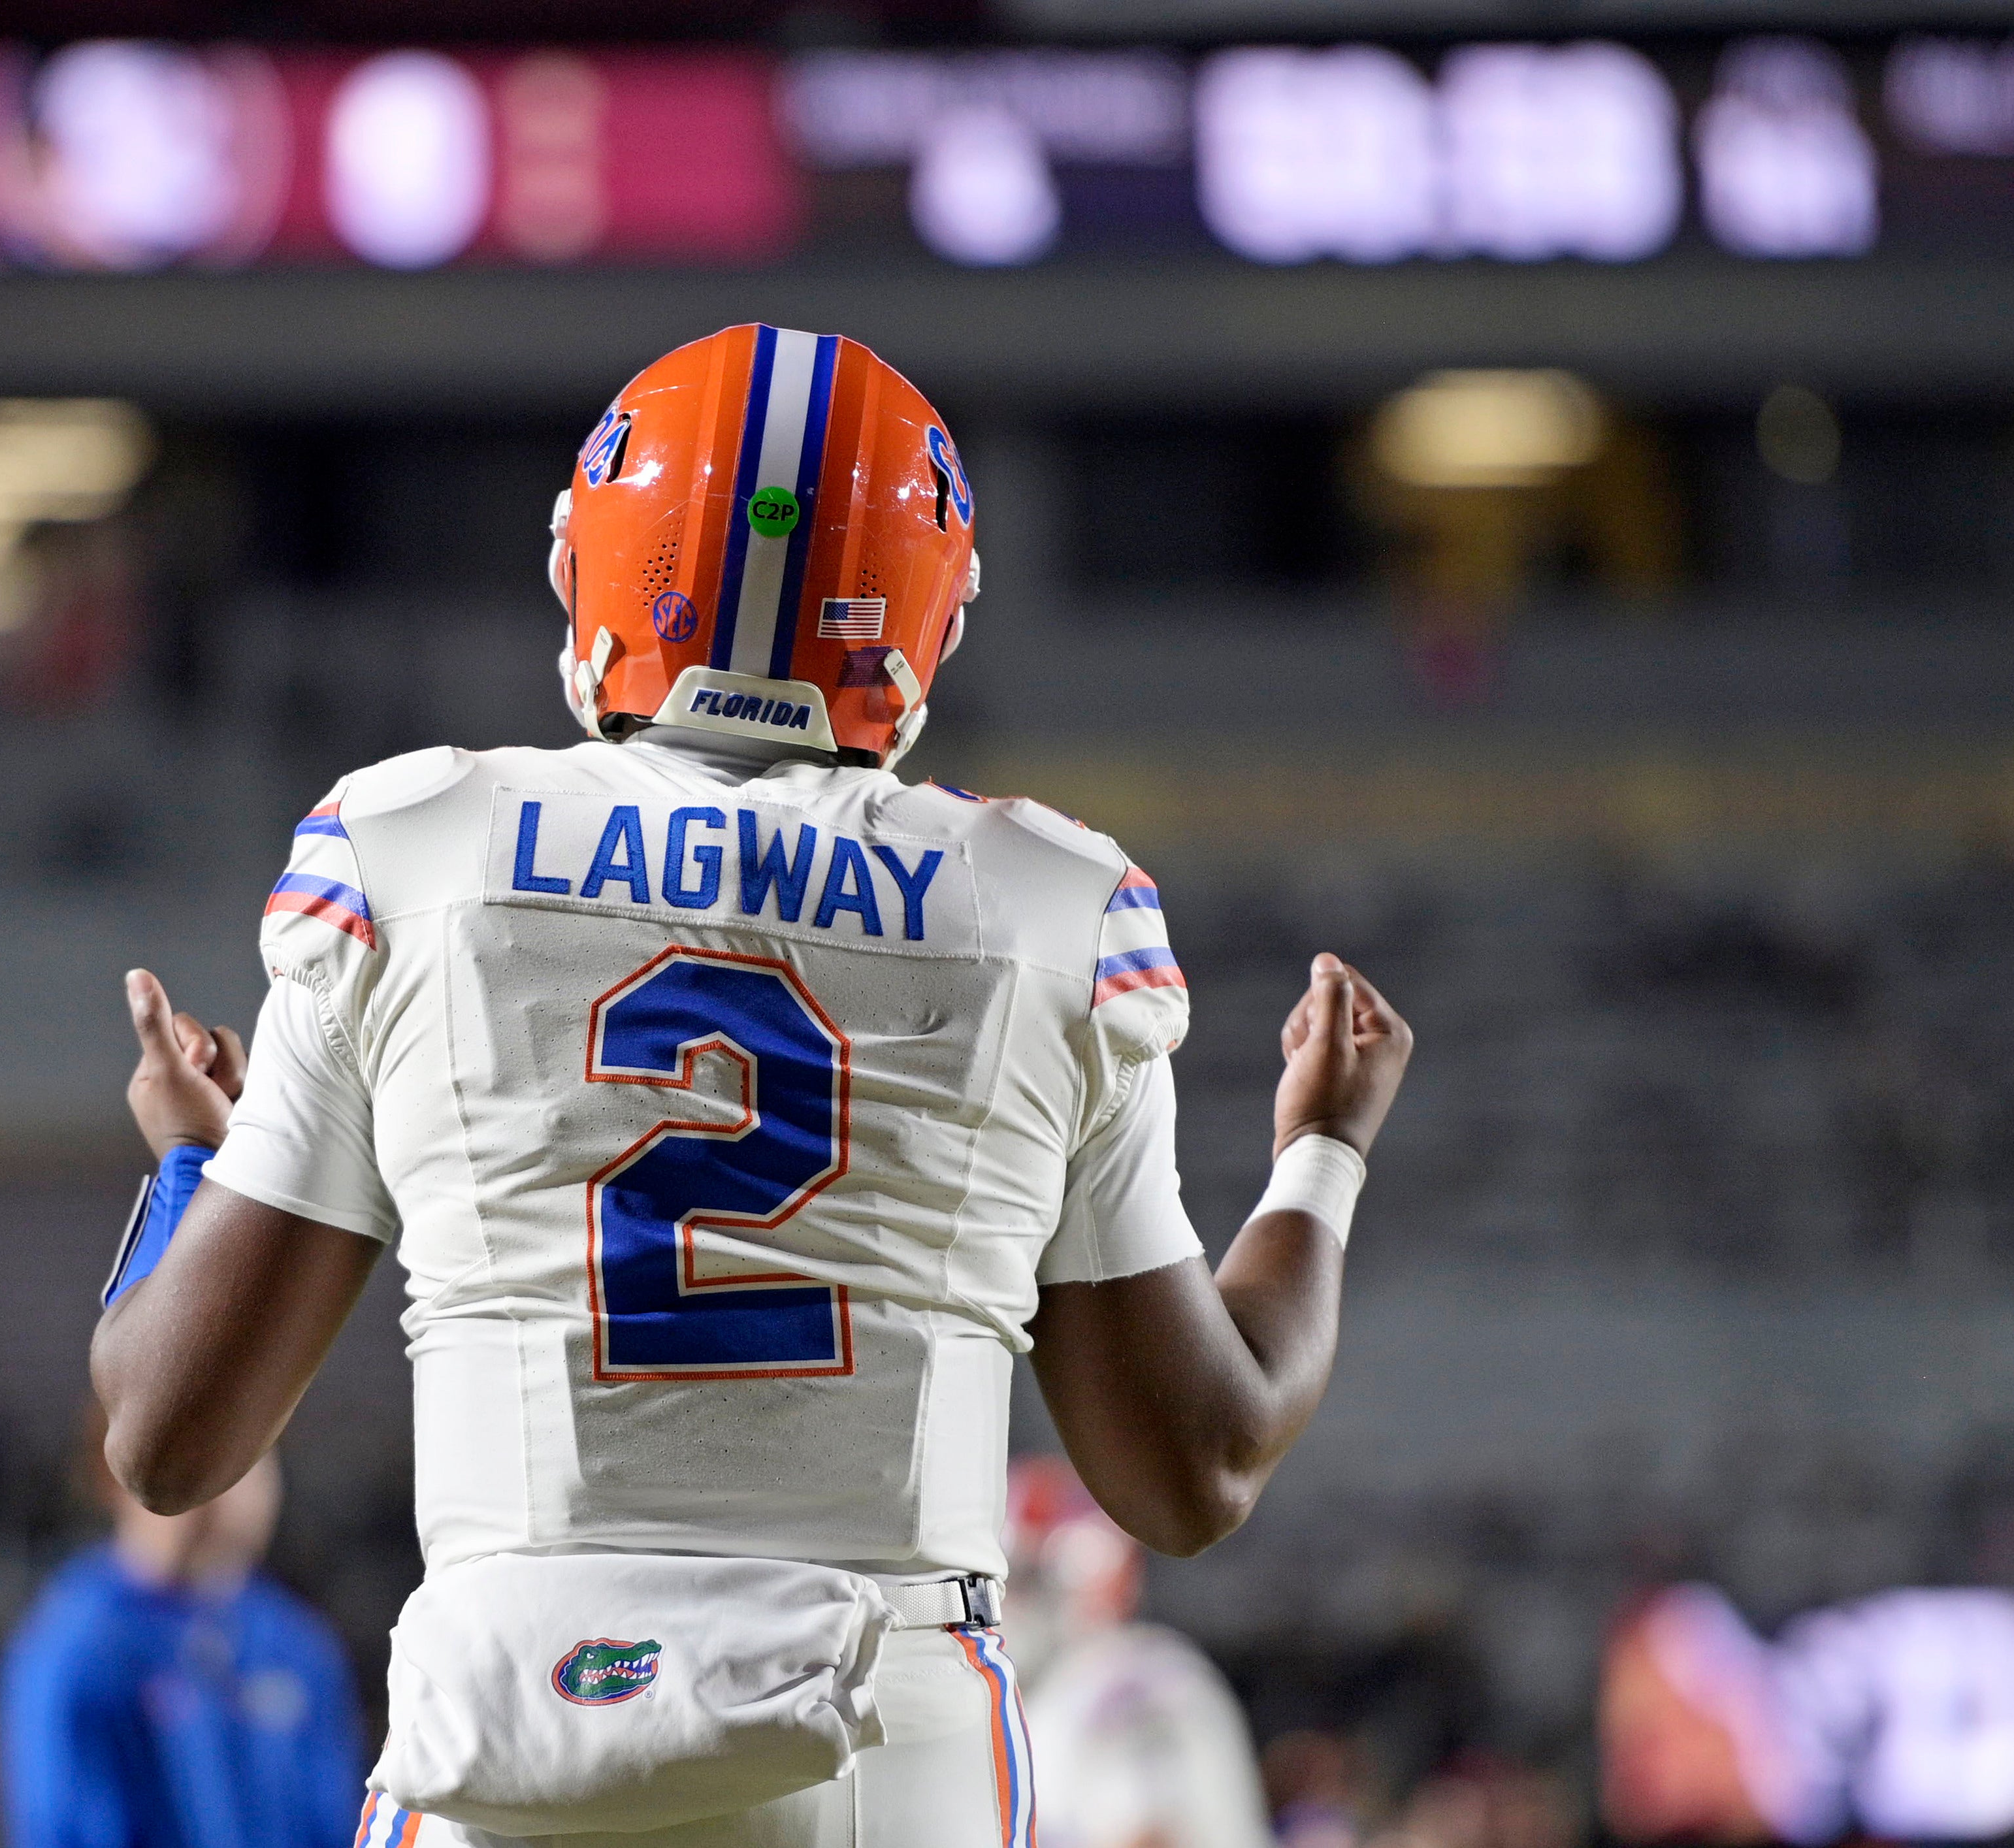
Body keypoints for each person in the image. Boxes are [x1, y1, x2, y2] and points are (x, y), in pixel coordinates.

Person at [91, 323, 1414, 1848]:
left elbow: (166, 1438)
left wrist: (201, 1163)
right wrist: (1320, 1153)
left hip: (512, 1734)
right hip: (883, 1751)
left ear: (598, 565)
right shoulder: (1054, 907)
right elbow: (1196, 1462)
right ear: (920, 615)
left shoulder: (411, 852)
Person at [0, 1432, 365, 1848]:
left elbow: (335, 1820)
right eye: (199, 1461)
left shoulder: (297, 1646)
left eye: (250, 1462)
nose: (228, 1489)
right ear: (122, 1474)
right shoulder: (76, 1647)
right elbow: (69, 1827)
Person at [1002, 1458, 1271, 1848]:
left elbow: (1151, 1835)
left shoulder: (1142, 1683)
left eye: (1028, 1583)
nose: (1007, 1607)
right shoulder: (1024, 1687)